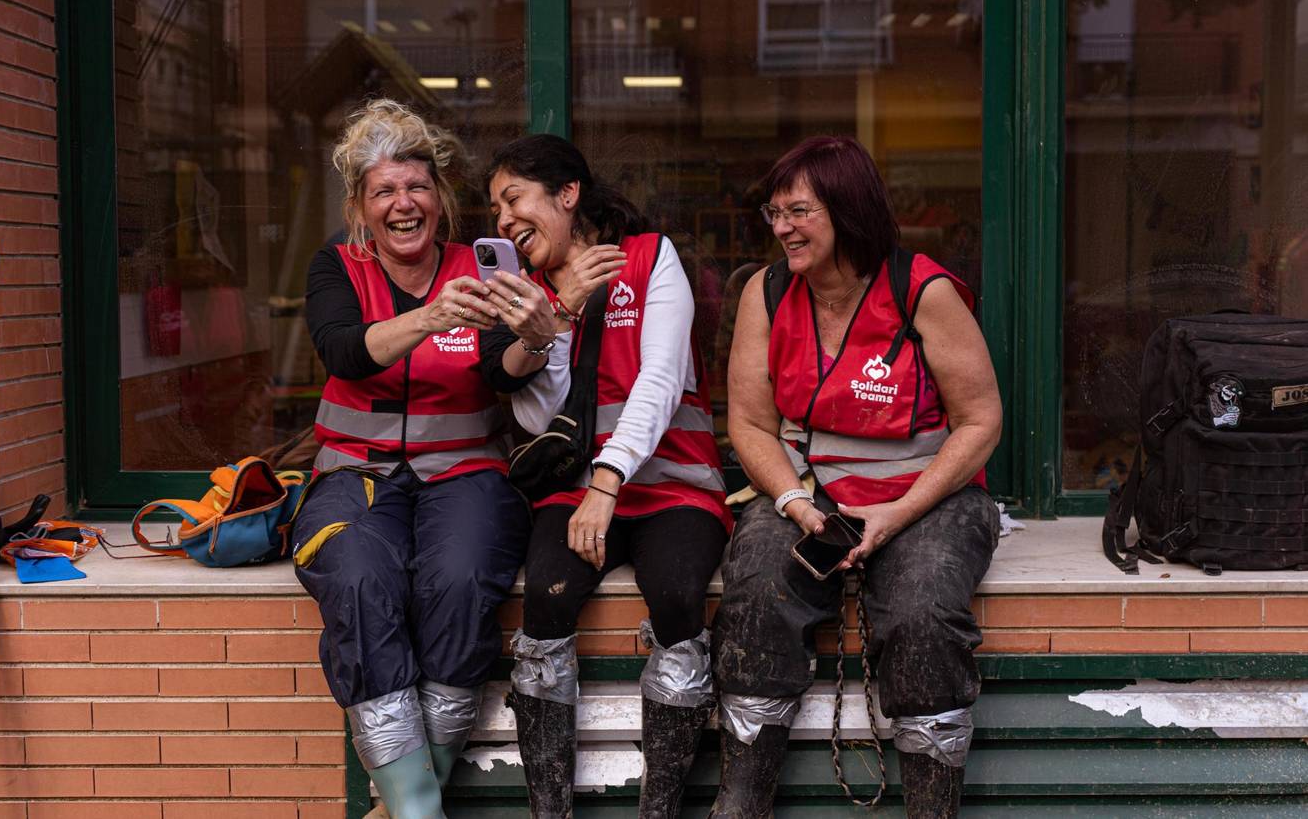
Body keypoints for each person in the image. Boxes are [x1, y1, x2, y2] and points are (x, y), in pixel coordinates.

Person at [711, 136, 1002, 818]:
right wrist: (791, 500)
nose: (781, 228)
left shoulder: (922, 291)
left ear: (848, 209)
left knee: (923, 617)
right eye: (774, 214)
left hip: (928, 499)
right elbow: (750, 425)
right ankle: (742, 802)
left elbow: (982, 422)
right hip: (808, 496)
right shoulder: (767, 290)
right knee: (753, 599)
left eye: (799, 211)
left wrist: (898, 514)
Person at [292, 100, 560, 818]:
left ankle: (408, 805)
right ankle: (418, 810)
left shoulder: (480, 267)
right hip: (357, 475)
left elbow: (502, 371)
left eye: (416, 187)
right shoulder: (337, 265)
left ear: (440, 198)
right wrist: (429, 317)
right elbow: (344, 350)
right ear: (359, 205)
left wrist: (534, 339)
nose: (403, 204)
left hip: (467, 471)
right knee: (355, 577)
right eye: (384, 190)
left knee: (462, 579)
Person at [483, 134, 731, 818]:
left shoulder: (651, 258)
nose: (502, 221)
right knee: (547, 603)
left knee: (680, 600)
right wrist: (555, 316)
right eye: (495, 210)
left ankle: (658, 812)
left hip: (672, 484)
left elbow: (660, 377)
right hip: (575, 492)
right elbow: (538, 418)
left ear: (567, 195)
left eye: (513, 200)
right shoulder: (528, 291)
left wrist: (608, 479)